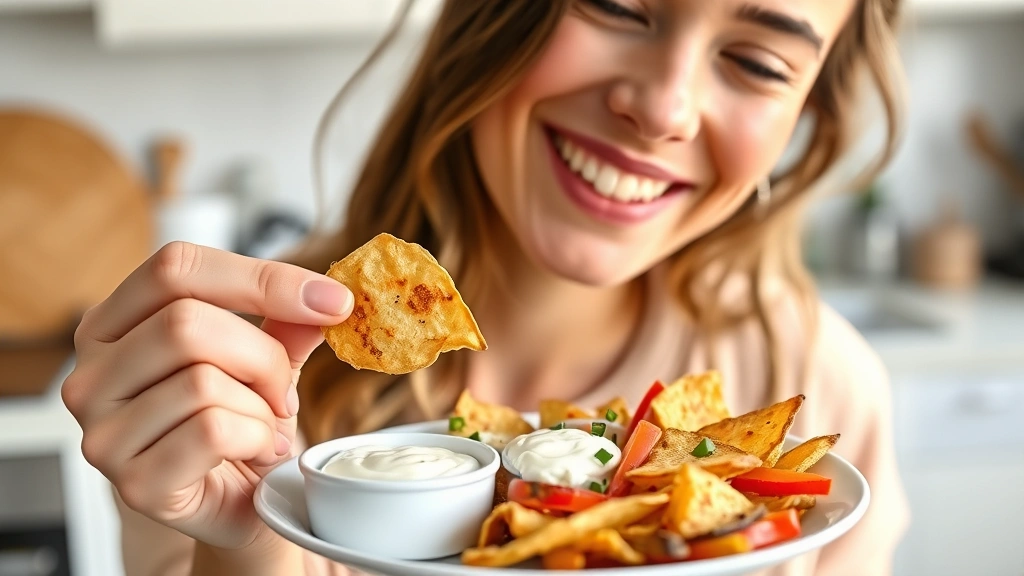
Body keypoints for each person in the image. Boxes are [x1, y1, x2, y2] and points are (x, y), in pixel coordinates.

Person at [61, 1, 910, 574]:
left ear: (806, 115)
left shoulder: (816, 379)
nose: (663, 108)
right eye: (614, 3)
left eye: (759, 64)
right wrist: (250, 545)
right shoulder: (234, 375)